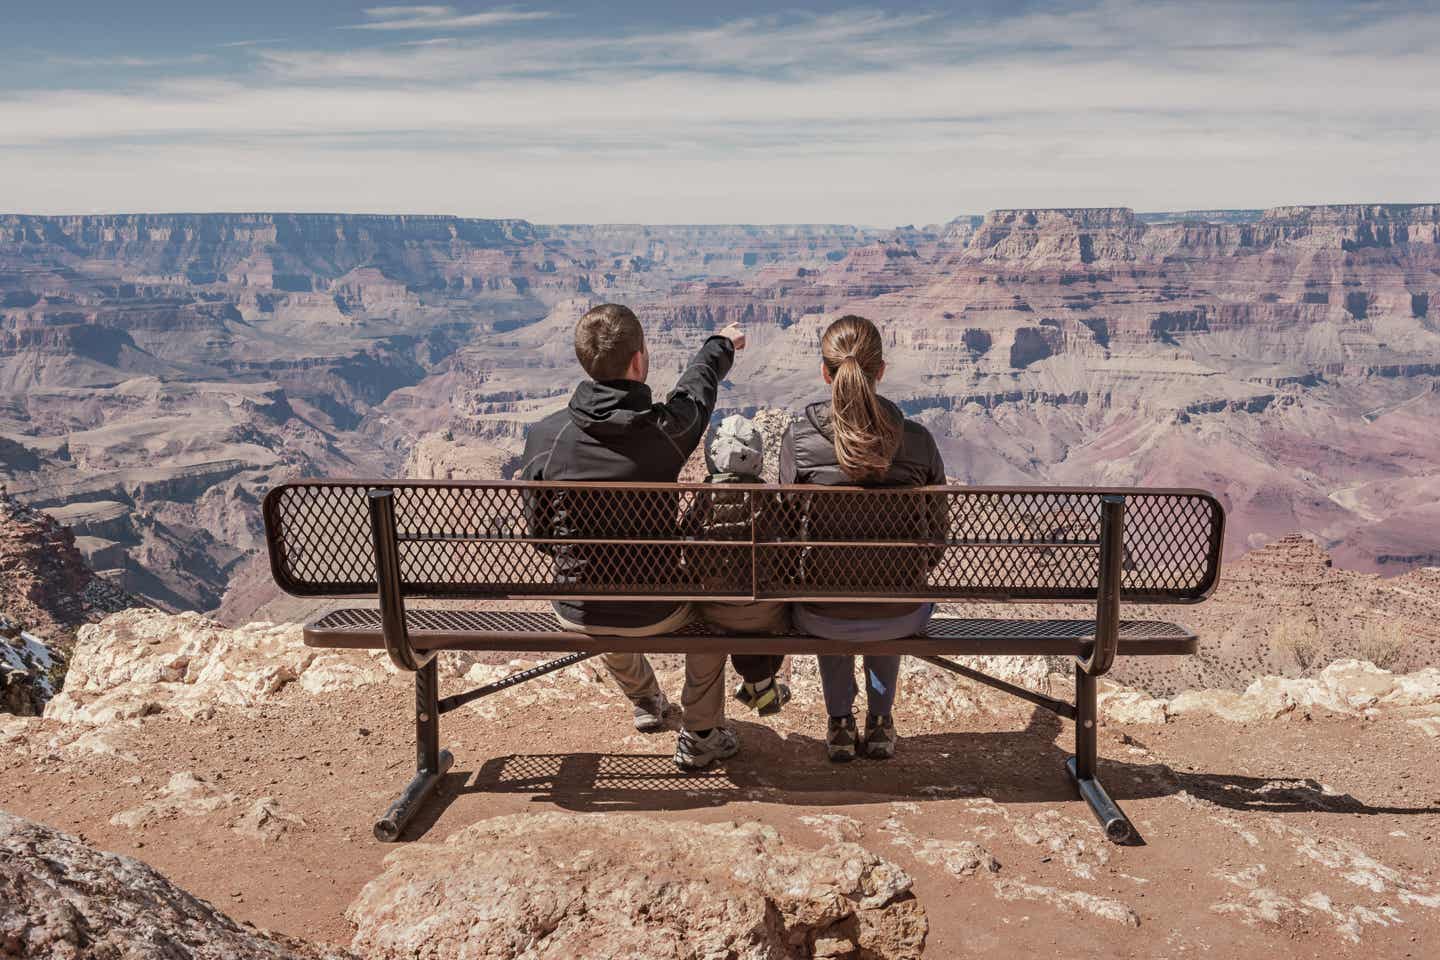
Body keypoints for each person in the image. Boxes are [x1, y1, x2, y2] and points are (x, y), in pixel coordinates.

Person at [519, 303, 746, 770]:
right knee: (718, 612)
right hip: (656, 607)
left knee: (601, 601)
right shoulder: (666, 430)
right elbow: (696, 391)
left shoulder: (547, 436)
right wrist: (720, 345)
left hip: (578, 608)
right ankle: (701, 731)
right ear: (639, 361)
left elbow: (541, 537)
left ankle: (646, 700)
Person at [779, 315, 947, 762]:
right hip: (902, 611)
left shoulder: (799, 441)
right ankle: (879, 722)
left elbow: (783, 533)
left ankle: (839, 723)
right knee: (885, 585)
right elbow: (938, 538)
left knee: (828, 584)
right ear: (881, 371)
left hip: (821, 614)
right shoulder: (918, 442)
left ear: (825, 372)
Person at [688, 414, 790, 715]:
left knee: (734, 610)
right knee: (761, 612)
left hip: (714, 609)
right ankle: (760, 686)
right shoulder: (768, 501)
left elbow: (690, 553)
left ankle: (759, 687)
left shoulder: (703, 501)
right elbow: (784, 556)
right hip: (767, 612)